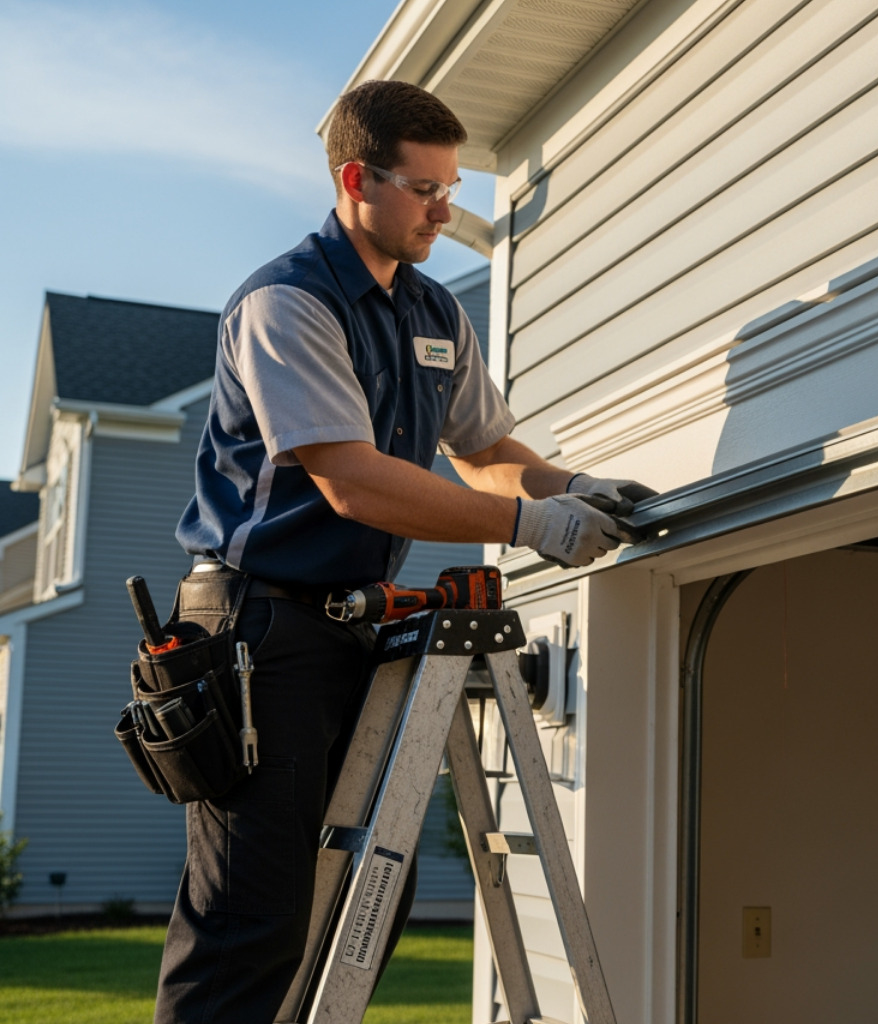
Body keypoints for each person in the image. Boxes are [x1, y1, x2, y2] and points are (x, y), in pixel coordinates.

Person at [156, 79, 653, 1024]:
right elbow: (351, 478)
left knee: (363, 904)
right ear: (356, 179)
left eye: (451, 187)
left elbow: (488, 453)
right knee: (249, 917)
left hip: (353, 627)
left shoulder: (432, 313)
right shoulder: (287, 303)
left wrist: (569, 488)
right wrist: (529, 527)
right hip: (257, 632)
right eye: (425, 189)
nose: (445, 209)